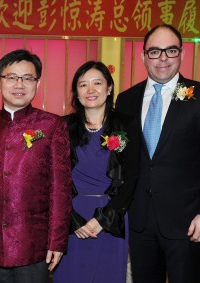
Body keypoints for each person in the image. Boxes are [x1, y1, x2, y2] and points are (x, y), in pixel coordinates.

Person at [116, 24, 200, 283]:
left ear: (182, 54)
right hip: (139, 220)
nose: (163, 58)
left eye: (170, 50)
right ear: (143, 55)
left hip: (188, 221)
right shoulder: (126, 100)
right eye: (155, 51)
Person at [0, 49, 72, 283]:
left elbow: (60, 190)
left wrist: (57, 240)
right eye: (11, 77)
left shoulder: (52, 126)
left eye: (27, 78)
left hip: (35, 243)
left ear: (37, 83)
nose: (19, 84)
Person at [53, 61, 140, 283]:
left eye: (97, 83)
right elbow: (53, 180)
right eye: (83, 85)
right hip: (72, 218)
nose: (90, 90)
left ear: (109, 88)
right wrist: (72, 220)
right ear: (76, 93)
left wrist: (102, 220)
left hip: (111, 218)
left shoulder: (127, 125)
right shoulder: (62, 127)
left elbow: (131, 179)